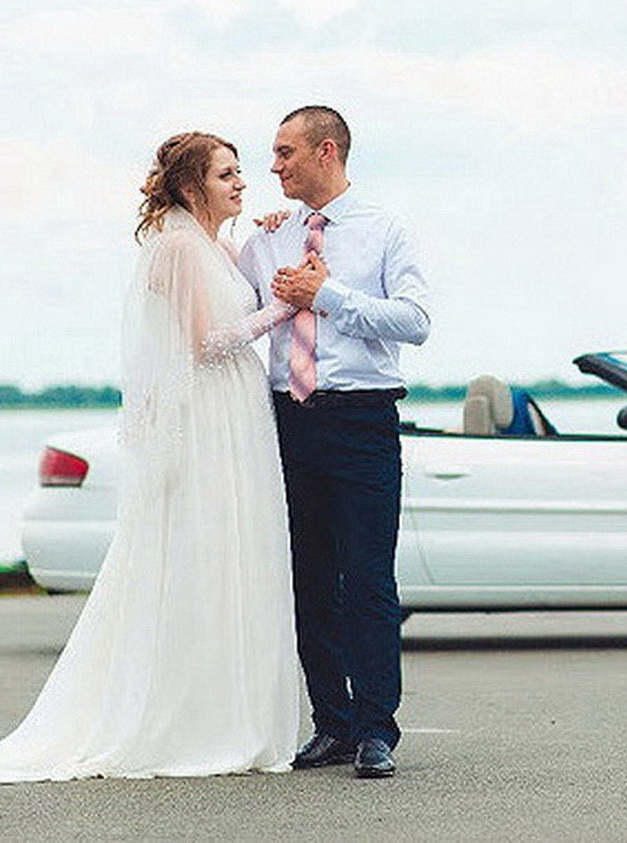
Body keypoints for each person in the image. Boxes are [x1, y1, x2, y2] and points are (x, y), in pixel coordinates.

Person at [0, 132, 303, 783]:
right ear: (190, 185)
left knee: (230, 552)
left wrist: (273, 236)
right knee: (197, 553)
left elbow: (249, 280)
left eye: (239, 172)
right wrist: (282, 312)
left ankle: (226, 711)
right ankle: (185, 720)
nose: (241, 183)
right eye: (226, 174)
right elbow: (207, 341)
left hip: (234, 414)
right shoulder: (175, 247)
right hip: (206, 416)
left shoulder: (216, 246)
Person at [238, 106, 430, 779]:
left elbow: (415, 321)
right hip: (287, 421)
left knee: (368, 580)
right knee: (308, 580)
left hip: (362, 421)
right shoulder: (268, 240)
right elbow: (232, 314)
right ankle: (333, 724)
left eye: (284, 152)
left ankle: (377, 729)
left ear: (326, 151)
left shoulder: (386, 230)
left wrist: (329, 295)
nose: (273, 166)